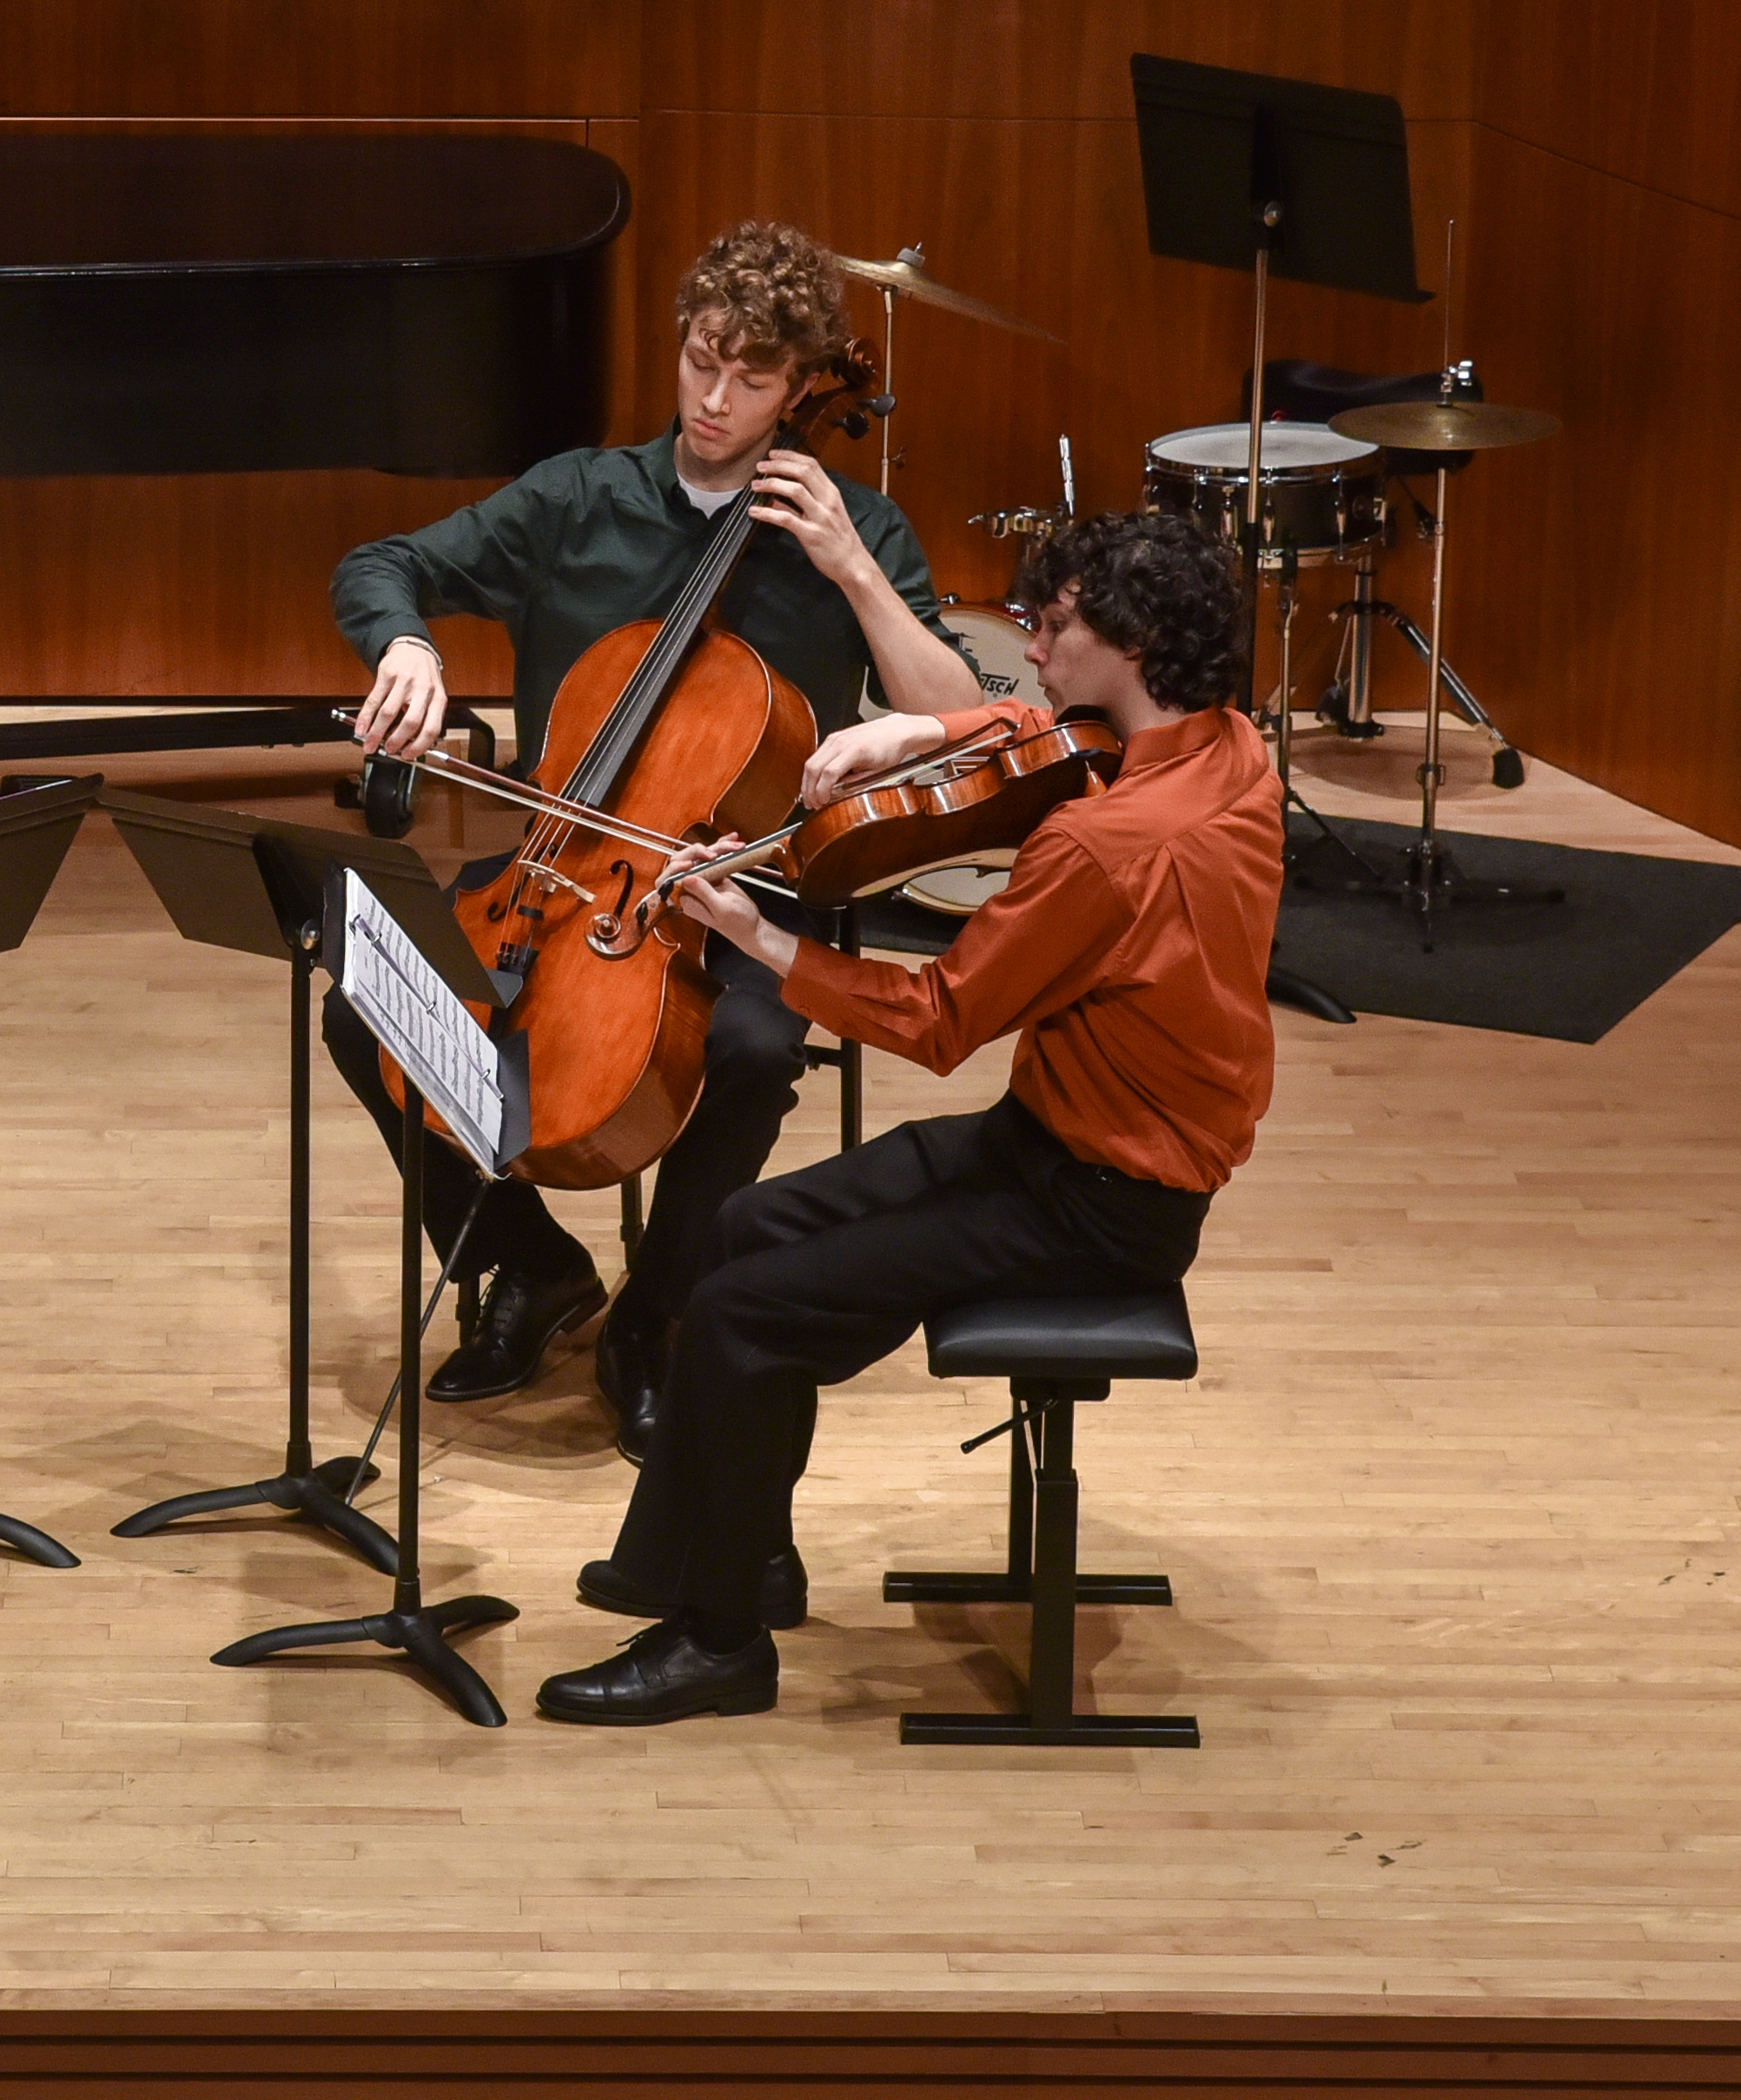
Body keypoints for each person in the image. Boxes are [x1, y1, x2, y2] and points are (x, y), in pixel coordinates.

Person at [532, 509, 1278, 1724]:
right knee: (743, 1230)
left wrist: (754, 933)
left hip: (1096, 1203)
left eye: (1057, 626)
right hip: (1048, 1141)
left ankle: (718, 1644)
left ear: (1132, 645)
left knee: (737, 1312)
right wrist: (924, 732)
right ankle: (722, 1552)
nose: (1030, 649)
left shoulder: (1101, 850)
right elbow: (1053, 731)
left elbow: (936, 1020)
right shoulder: (1229, 749)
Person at [332, 220, 987, 1453]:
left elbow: (952, 720)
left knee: (746, 1050)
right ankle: (523, 1264)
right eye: (701, 361)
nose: (716, 398)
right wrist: (408, 645)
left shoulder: (853, 529)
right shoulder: (579, 499)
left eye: (751, 378)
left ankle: (658, 1312)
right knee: (363, 999)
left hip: (749, 893)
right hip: (564, 869)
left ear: (803, 389)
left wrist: (852, 569)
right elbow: (382, 562)